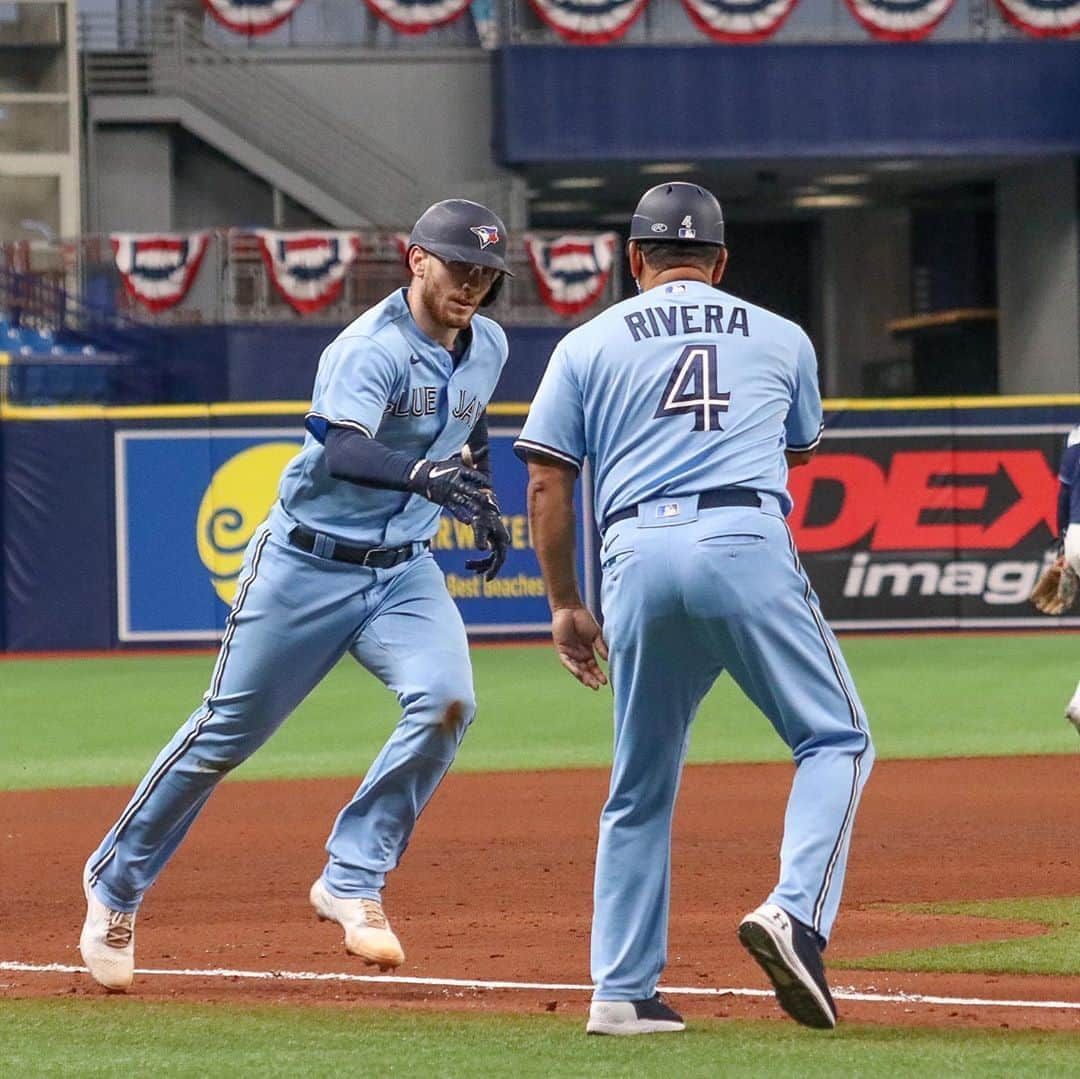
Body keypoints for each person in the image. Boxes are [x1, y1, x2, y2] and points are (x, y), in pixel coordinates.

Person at [79, 199, 514, 991]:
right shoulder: (370, 348)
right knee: (224, 736)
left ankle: (352, 877)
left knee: (448, 699)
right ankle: (115, 884)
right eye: (460, 267)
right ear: (416, 259)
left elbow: (467, 421)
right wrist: (425, 476)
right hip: (306, 564)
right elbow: (344, 447)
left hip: (404, 569)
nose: (473, 286)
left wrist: (475, 491)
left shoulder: (488, 344)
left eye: (487, 274)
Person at [515, 182, 874, 1035]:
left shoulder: (585, 342)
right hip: (740, 535)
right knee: (837, 737)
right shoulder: (780, 334)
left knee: (639, 782)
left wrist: (566, 602)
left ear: (633, 259)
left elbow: (544, 480)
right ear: (720, 262)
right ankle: (794, 911)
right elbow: (795, 442)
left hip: (633, 555)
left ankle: (621, 990)